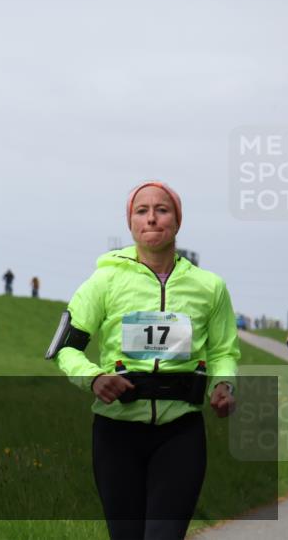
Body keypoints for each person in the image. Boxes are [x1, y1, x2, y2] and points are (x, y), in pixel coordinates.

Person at [47, 181, 239, 540]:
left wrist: (223, 384)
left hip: (180, 431)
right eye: (142, 211)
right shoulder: (104, 281)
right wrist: (93, 377)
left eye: (162, 210)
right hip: (116, 433)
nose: (152, 218)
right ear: (131, 223)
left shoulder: (209, 287)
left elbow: (224, 351)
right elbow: (65, 348)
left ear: (177, 221)